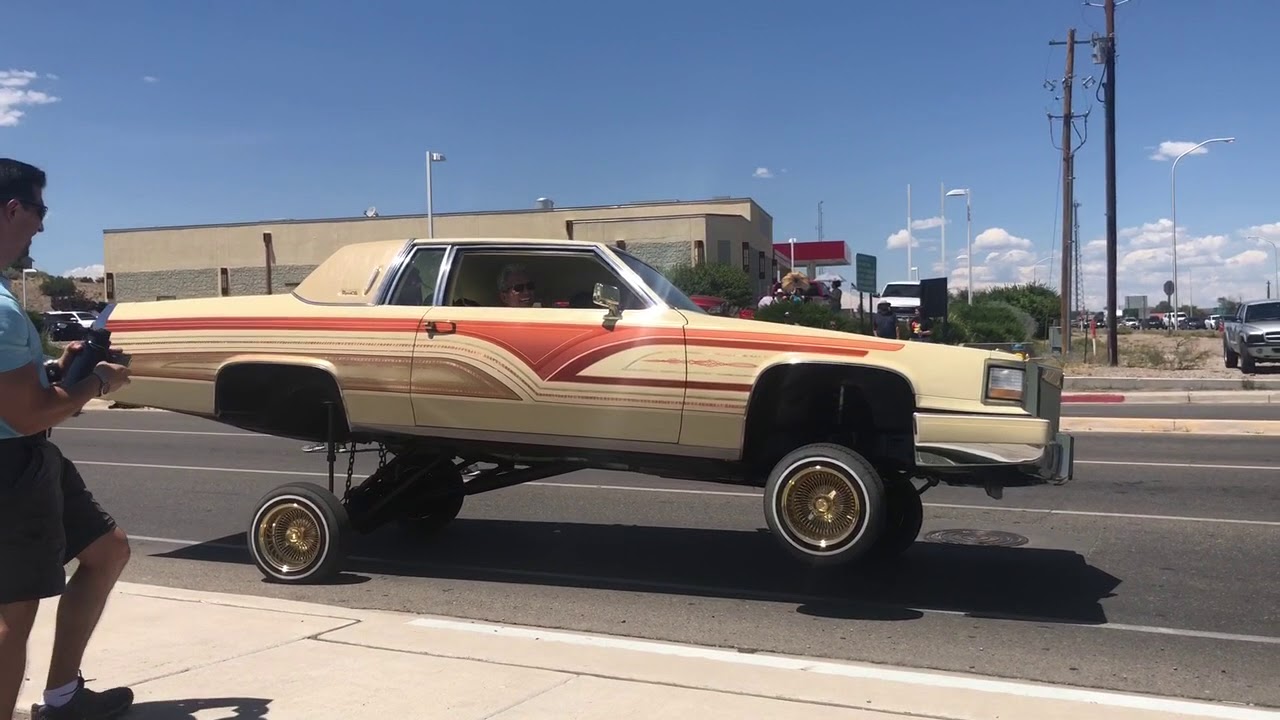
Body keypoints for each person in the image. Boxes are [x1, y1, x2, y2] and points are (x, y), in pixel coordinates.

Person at [0, 158, 135, 720]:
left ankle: (62, 697)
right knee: (12, 615)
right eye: (39, 209)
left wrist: (57, 371)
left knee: (107, 550)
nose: (42, 224)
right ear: (13, 209)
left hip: (29, 458)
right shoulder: (2, 312)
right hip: (12, 465)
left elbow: (16, 395)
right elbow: (29, 416)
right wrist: (98, 382)